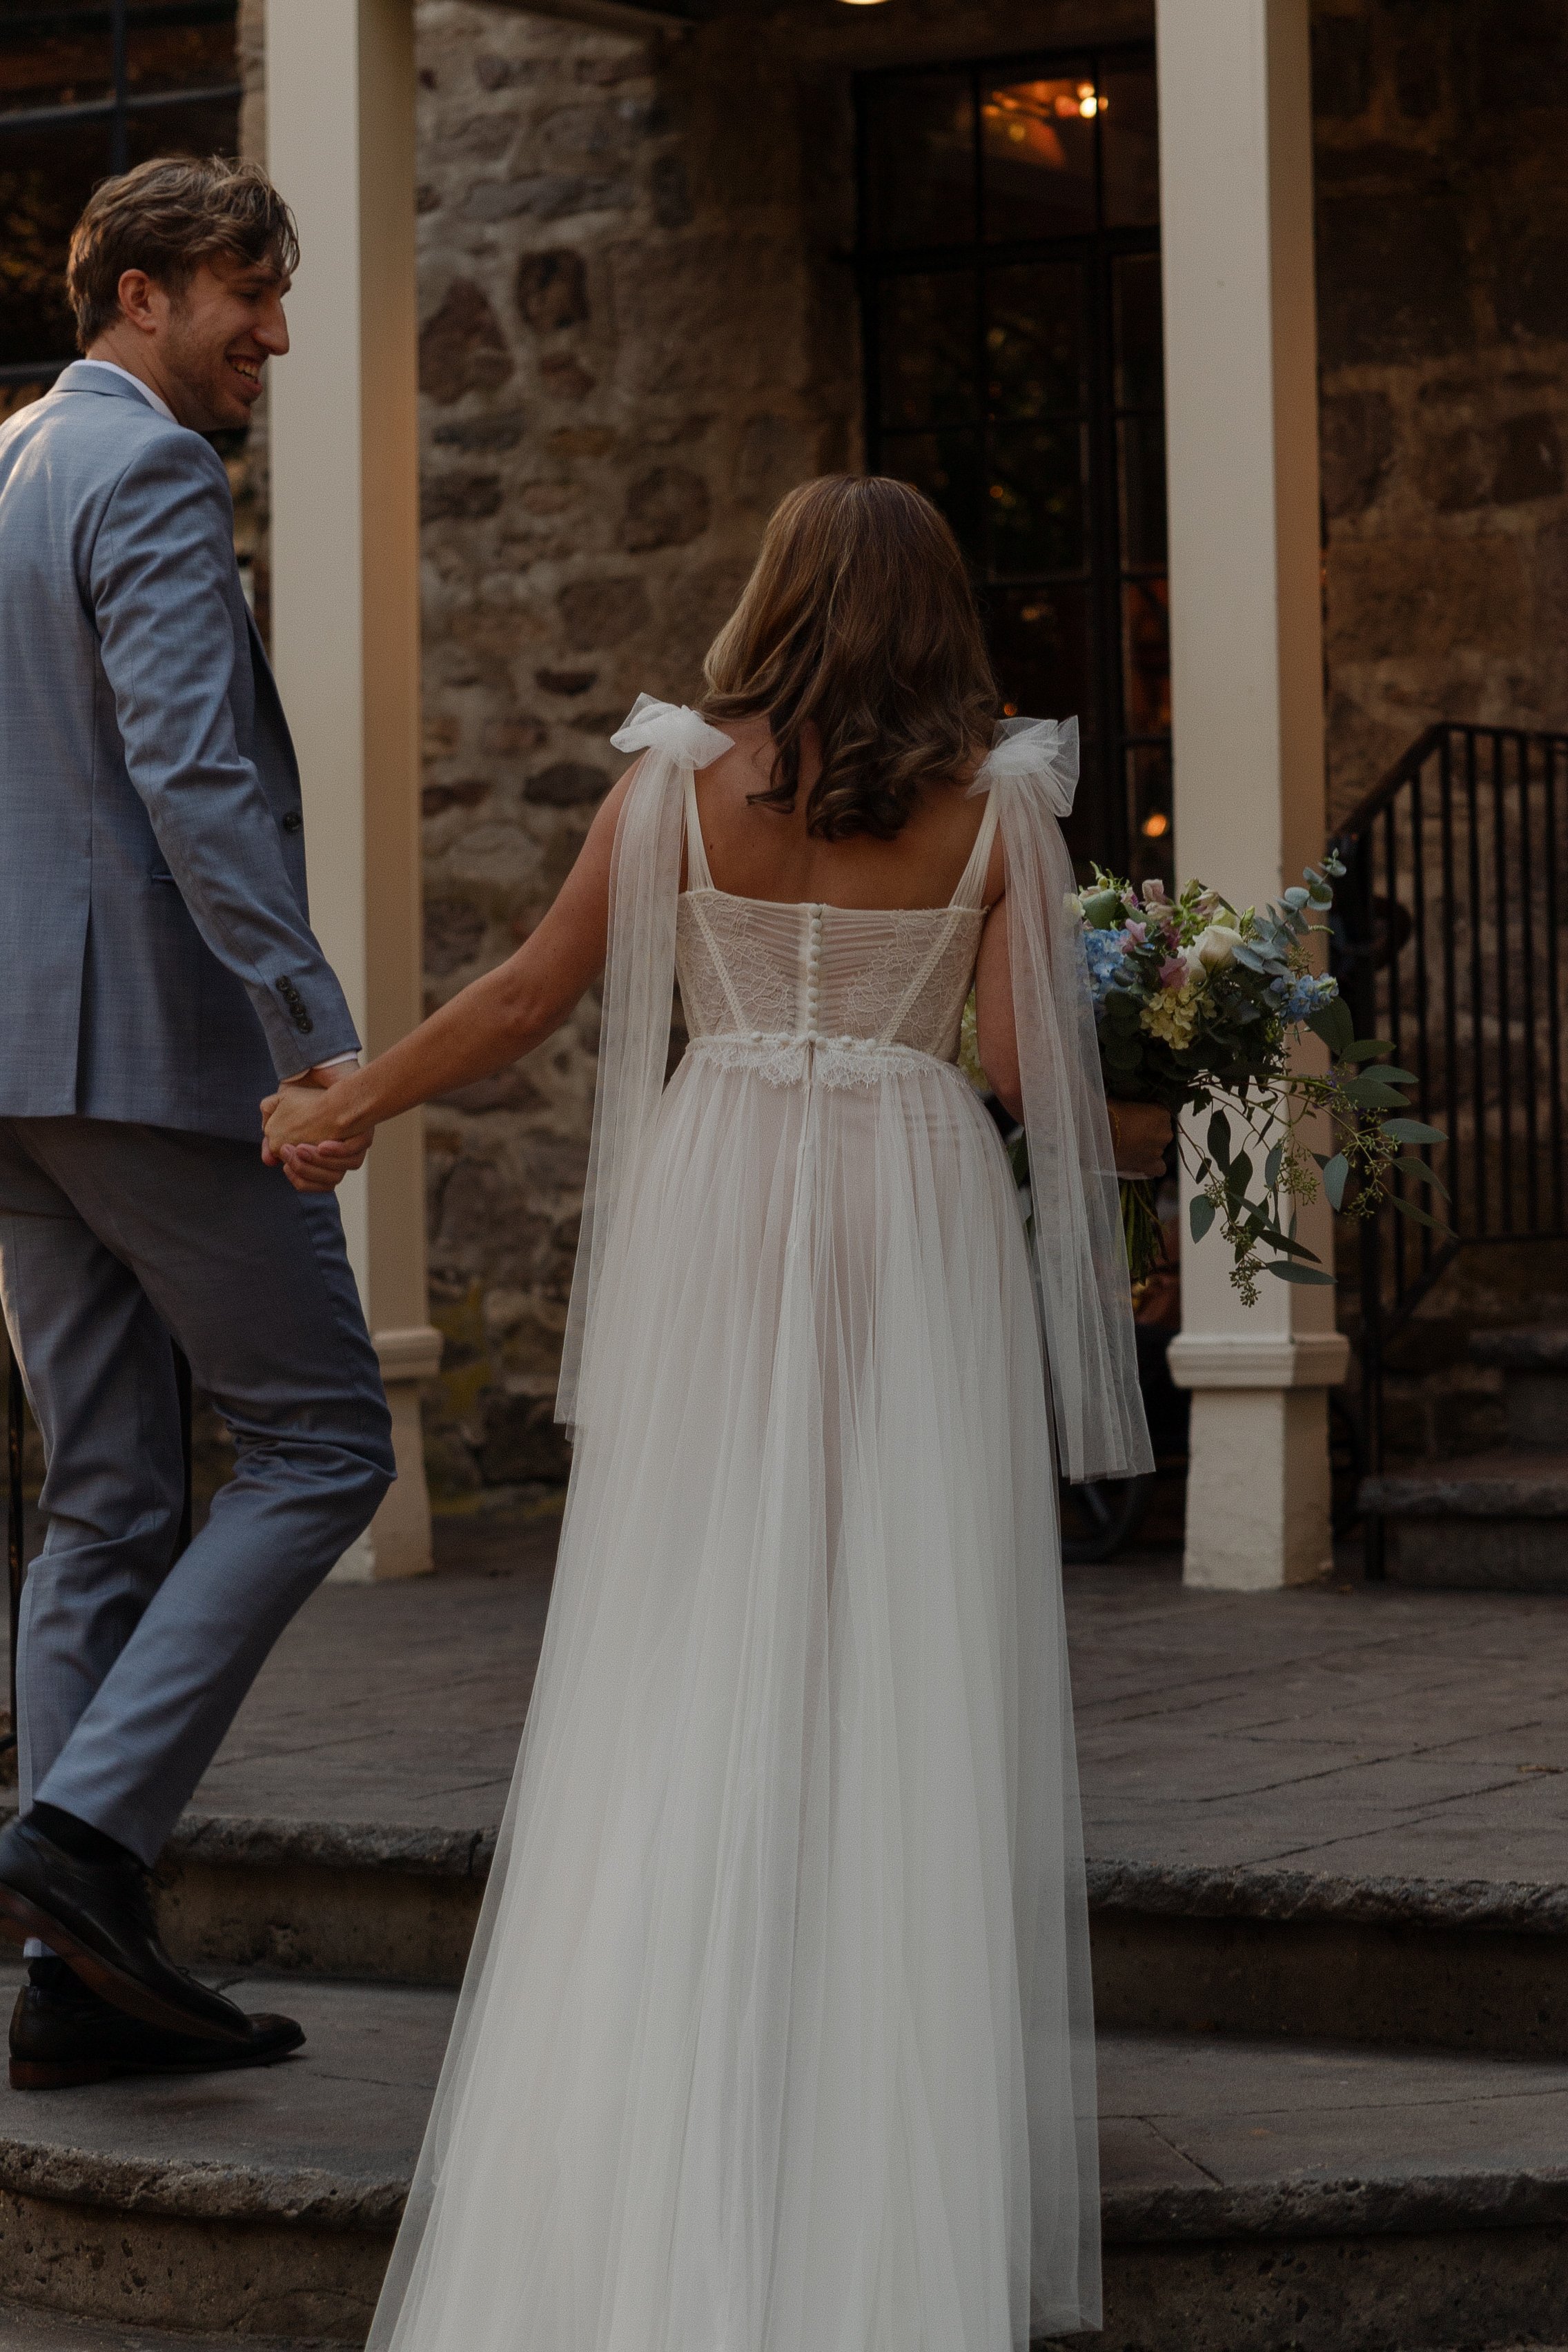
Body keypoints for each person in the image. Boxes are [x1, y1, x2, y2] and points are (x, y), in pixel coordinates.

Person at [265, 476, 1164, 2351]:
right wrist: (1184, 1068)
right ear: (939, 617)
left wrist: (353, 1105)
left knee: (686, 1624)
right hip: (910, 1209)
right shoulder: (998, 806)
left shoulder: (672, 787)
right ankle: (867, 2076)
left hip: (726, 1188)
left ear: (772, 603)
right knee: (890, 1625)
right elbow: (1017, 1071)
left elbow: (524, 1000)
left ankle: (676, 2061)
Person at [0, 157, 395, 2092]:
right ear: (139, 298)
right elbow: (193, 774)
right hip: (148, 1048)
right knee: (326, 1439)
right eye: (246, 292)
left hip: (12, 1070)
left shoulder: (5, 463)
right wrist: (316, 1039)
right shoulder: (143, 467)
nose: (275, 334)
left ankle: (80, 1983)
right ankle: (75, 1840)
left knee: (107, 1494)